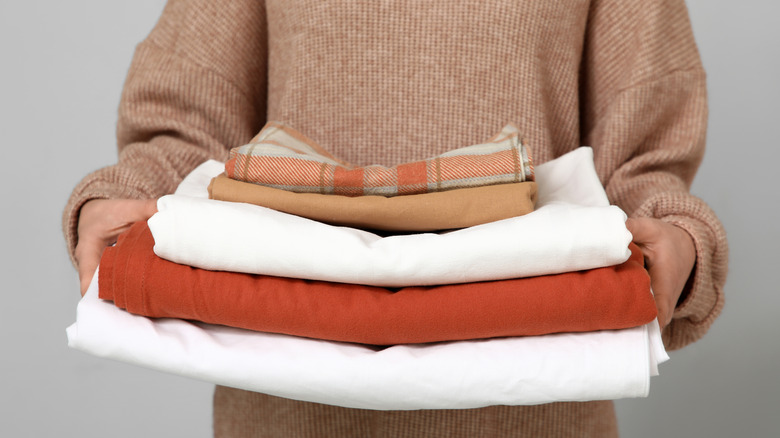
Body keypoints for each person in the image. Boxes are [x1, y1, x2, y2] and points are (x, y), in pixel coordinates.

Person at [63, 0, 728, 436]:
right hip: (287, 411)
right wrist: (124, 196)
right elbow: (191, 123)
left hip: (537, 414)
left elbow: (641, 153)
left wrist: (677, 236)